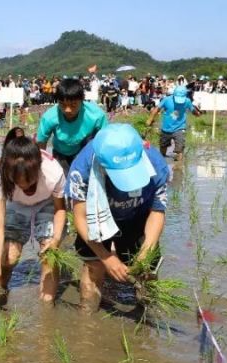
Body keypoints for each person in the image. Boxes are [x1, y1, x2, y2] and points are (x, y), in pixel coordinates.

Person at [67, 124, 169, 312]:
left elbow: (157, 212)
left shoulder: (157, 164)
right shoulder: (81, 169)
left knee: (146, 272)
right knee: (94, 266)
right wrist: (106, 257)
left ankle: (146, 324)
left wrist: (146, 250)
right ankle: (87, 324)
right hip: (96, 217)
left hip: (137, 216)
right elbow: (80, 218)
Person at [0, 128, 67, 307]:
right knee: (10, 257)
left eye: (29, 181)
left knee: (49, 255)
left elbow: (60, 209)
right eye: (18, 183)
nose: (24, 186)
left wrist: (55, 239)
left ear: (38, 168)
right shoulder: (3, 178)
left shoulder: (53, 171)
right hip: (18, 205)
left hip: (47, 203)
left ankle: (47, 309)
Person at [36, 78, 109, 175]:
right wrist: (42, 165)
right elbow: (41, 142)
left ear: (82, 100)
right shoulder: (50, 117)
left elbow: (106, 140)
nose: (67, 110)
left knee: (81, 180)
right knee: (63, 180)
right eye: (62, 105)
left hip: (84, 150)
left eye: (73, 105)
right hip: (60, 153)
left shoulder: (96, 115)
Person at [146, 85, 200, 162]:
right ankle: (162, 161)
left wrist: (197, 113)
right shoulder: (166, 100)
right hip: (166, 127)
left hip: (180, 127)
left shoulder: (187, 101)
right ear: (174, 95)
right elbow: (156, 109)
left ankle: (178, 166)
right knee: (163, 147)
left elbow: (192, 109)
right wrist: (150, 119)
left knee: (180, 148)